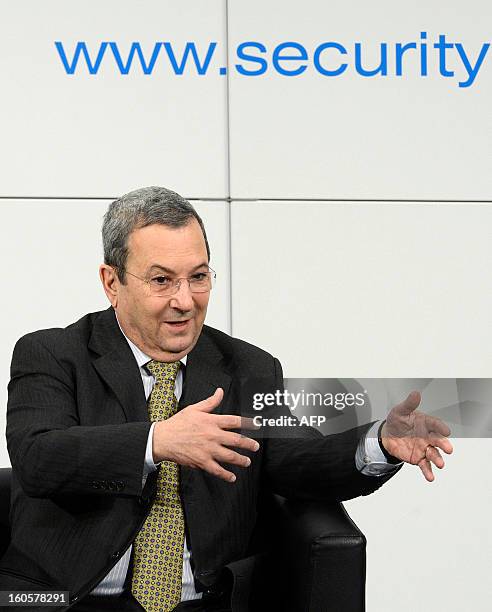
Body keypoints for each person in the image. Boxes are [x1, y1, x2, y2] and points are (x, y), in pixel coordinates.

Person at [1, 187, 453, 612]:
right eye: (162, 280)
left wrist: (378, 442)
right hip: (70, 599)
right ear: (111, 281)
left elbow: (295, 458)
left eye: (198, 277)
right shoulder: (54, 353)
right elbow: (38, 455)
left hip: (205, 602)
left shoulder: (249, 367)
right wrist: (156, 442)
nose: (185, 301)